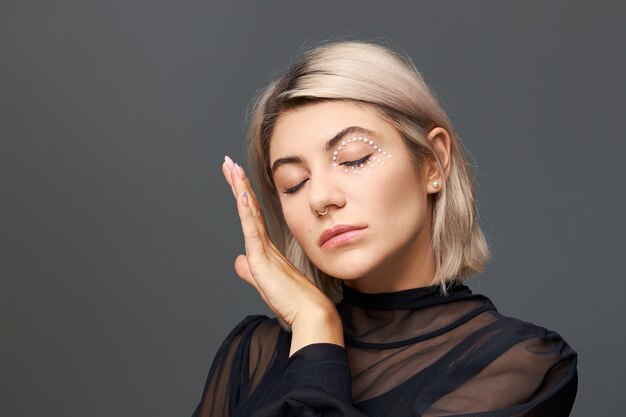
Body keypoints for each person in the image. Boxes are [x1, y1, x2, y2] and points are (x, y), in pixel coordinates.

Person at [191, 40, 578, 417]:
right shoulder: (250, 354)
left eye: (354, 159)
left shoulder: (519, 364)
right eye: (294, 183)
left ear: (432, 163)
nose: (320, 198)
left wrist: (317, 330)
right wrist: (314, 321)